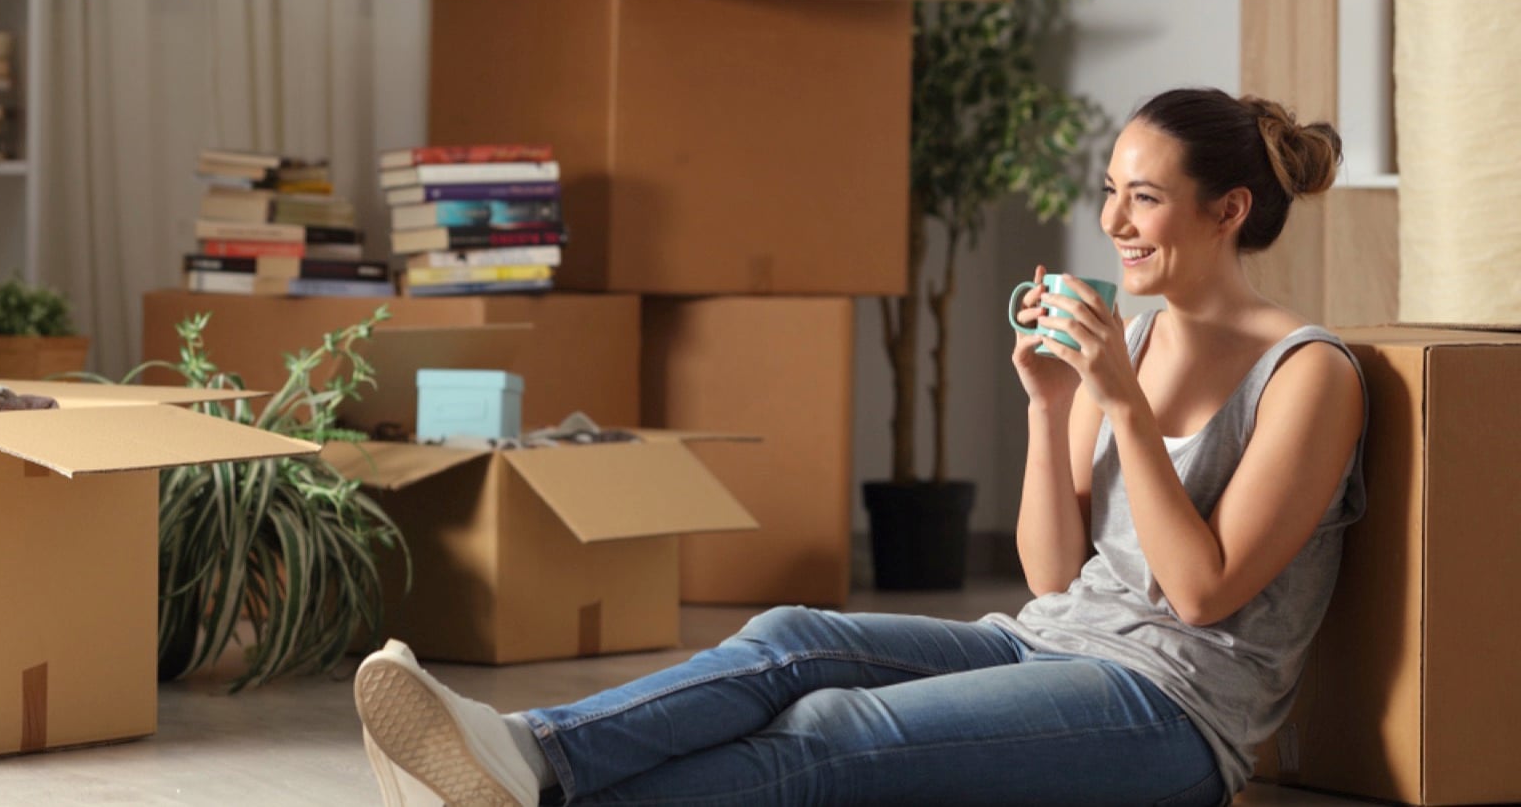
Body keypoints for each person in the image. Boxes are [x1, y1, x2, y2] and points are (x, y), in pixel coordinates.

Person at [350, 87, 1368, 807]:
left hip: (1173, 718)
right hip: (1052, 642)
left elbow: (1198, 595)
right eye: (1109, 189)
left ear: (1227, 210)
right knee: (793, 638)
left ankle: (534, 799)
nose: (1112, 220)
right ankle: (528, 755)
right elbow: (1054, 575)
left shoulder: (1307, 375)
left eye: (1143, 196)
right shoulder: (1131, 345)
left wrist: (1122, 406)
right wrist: (1048, 406)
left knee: (834, 735)